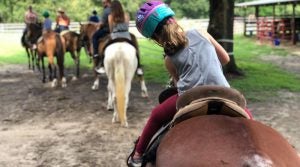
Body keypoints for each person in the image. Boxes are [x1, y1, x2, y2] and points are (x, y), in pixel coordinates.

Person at [128, 1, 233, 166]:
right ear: (173, 18)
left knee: (156, 115)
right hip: (224, 93)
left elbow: (178, 86)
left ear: (155, 38)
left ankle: (138, 154)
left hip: (192, 98)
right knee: (247, 118)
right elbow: (225, 59)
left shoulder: (169, 60)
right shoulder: (201, 32)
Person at [95, 0, 143, 75]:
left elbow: (111, 29)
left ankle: (102, 65)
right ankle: (139, 67)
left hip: (114, 35)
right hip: (126, 35)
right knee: (135, 48)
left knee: (104, 48)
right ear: (121, 7)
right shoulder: (126, 15)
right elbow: (127, 27)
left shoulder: (110, 16)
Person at [92, 0, 111, 74]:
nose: (102, 4)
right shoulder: (115, 8)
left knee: (94, 36)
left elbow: (102, 23)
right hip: (115, 29)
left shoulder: (106, 11)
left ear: (107, 2)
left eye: (103, 2)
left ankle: (96, 52)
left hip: (106, 30)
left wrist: (98, 26)